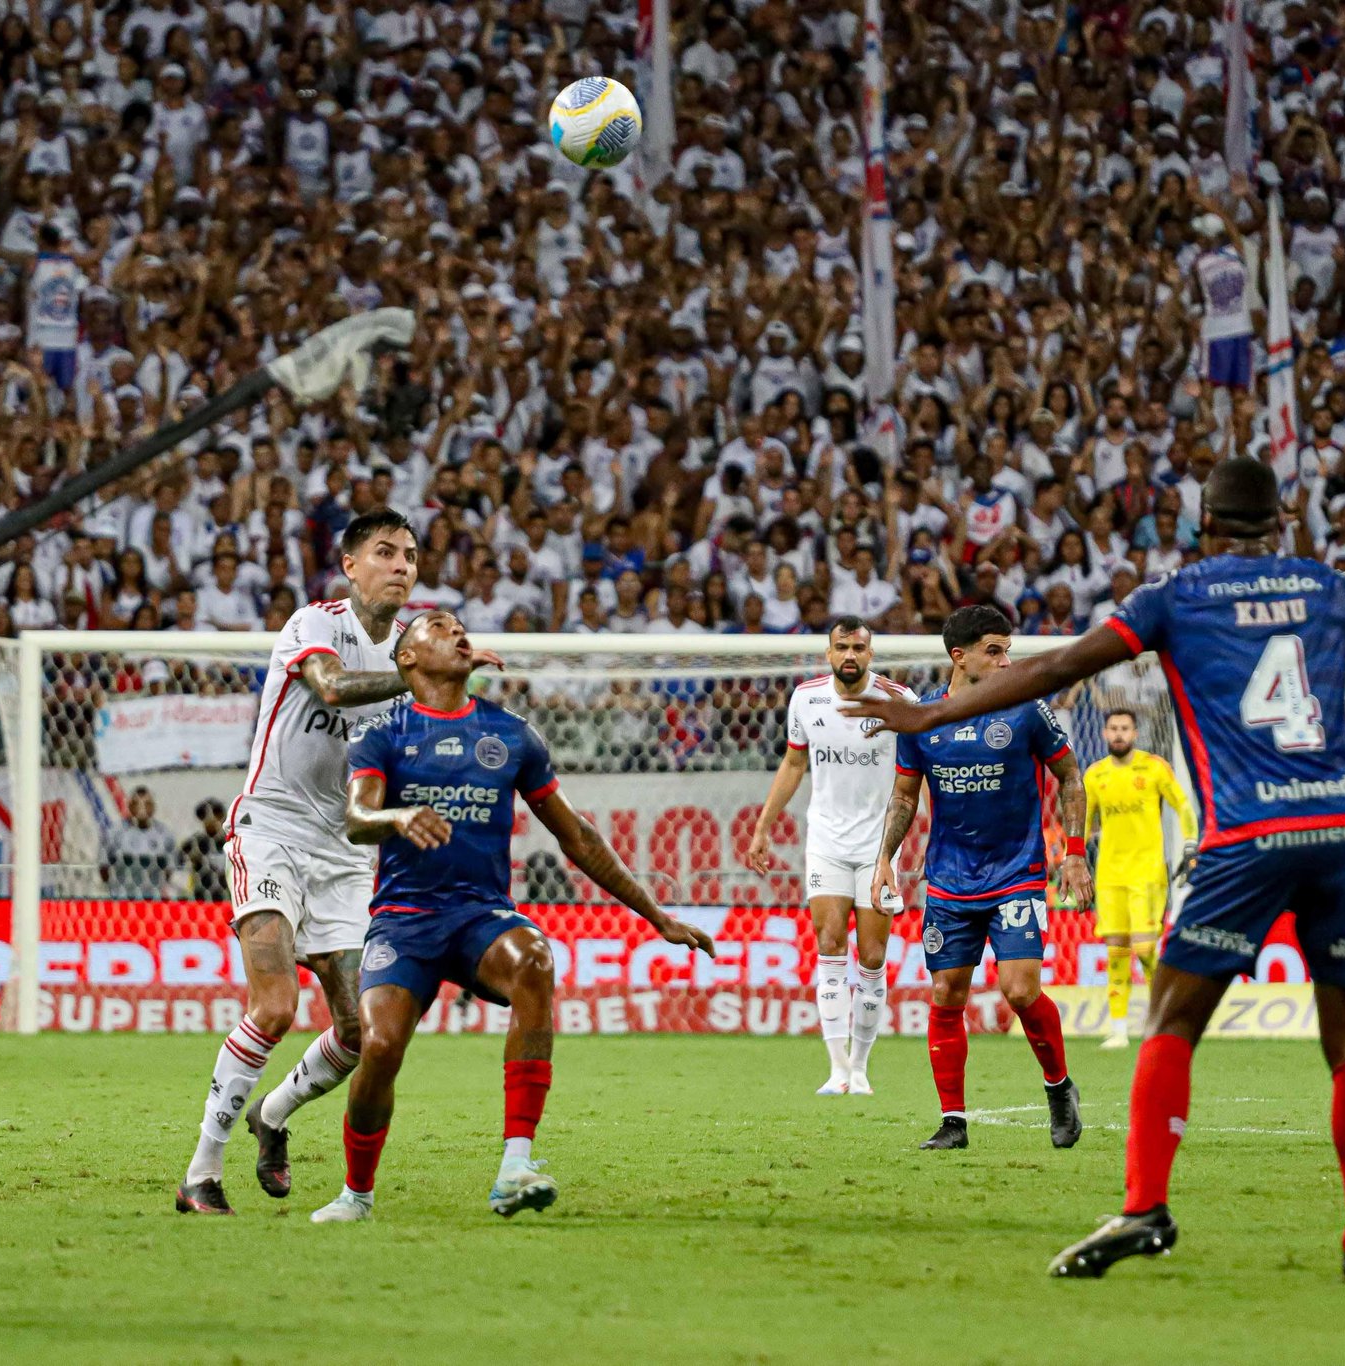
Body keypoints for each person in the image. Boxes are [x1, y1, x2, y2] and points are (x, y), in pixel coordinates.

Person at [850, 459, 1345, 1279]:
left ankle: (1144, 1210)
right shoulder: (1335, 586)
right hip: (1341, 827)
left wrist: (928, 711)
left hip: (1248, 836)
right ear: (1281, 522)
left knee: (1170, 1023)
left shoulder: (1177, 595)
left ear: (1204, 524)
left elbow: (1051, 670)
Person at [308, 611, 713, 1222]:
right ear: (408, 659)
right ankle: (356, 1194)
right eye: (439, 627)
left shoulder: (511, 735)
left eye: (460, 626)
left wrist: (656, 915)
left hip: (480, 916)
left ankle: (514, 1167)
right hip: (403, 921)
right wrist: (397, 818)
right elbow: (357, 818)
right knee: (382, 1045)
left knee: (534, 960)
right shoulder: (384, 734)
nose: (457, 632)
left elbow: (575, 835)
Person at [176, 508, 500, 1215]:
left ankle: (274, 1115)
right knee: (275, 1004)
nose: (400, 565)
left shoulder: (417, 663)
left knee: (365, 1032)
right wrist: (413, 676)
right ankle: (202, 1170)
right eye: (384, 552)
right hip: (271, 827)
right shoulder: (314, 624)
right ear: (351, 566)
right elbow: (329, 687)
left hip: (347, 851)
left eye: (410, 556)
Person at [866, 604, 1089, 1152]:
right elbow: (903, 796)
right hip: (948, 879)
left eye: (1008, 649)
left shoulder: (1026, 710)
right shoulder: (923, 722)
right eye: (995, 650)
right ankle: (953, 1121)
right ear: (958, 657)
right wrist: (884, 859)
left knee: (1019, 990)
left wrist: (1076, 853)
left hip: (1016, 872)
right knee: (946, 993)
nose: (1007, 660)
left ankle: (1059, 1088)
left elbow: (1070, 775)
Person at [745, 616, 913, 1096]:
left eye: (859, 647)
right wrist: (763, 826)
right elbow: (794, 762)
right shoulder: (807, 698)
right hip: (826, 842)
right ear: (828, 653)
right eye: (842, 647)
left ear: (871, 654)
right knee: (830, 942)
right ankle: (838, 1068)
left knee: (874, 955)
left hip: (880, 846)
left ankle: (861, 1066)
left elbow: (915, 774)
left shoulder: (899, 703)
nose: (850, 656)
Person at [1083, 709, 1197, 1050]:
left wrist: (1190, 845)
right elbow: (1085, 824)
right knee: (1116, 951)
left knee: (1145, 947)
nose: (1119, 734)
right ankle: (1119, 1029)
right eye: (1113, 728)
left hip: (1147, 871)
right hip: (1110, 875)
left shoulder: (1154, 768)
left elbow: (1184, 806)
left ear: (1135, 733)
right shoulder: (1096, 775)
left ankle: (1162, 1020)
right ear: (1105, 734)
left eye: (1125, 728)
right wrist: (1069, 858)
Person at [101, 786, 180, 899]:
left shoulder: (165, 834)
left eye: (146, 804)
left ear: (153, 807)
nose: (142, 808)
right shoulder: (115, 833)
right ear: (129, 806)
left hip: (153, 897)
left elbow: (170, 868)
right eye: (137, 804)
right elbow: (104, 866)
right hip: (122, 896)